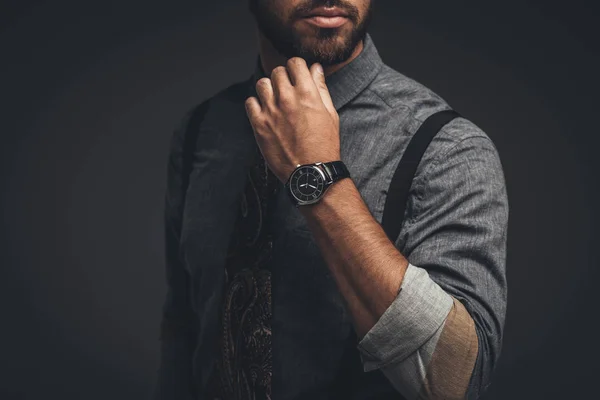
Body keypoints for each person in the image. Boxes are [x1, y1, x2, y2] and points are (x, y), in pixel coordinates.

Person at [152, 0, 509, 399]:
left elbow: (455, 380)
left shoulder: (446, 147)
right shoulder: (201, 132)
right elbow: (185, 328)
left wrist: (317, 171)